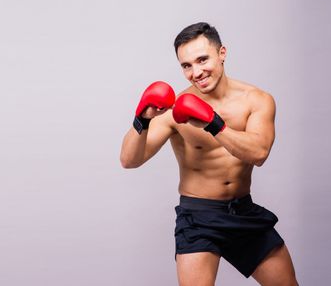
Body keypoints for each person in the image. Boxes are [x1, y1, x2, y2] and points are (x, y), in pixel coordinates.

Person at [120, 22, 298, 286]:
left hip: (243, 211)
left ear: (222, 53)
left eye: (202, 60)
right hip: (198, 216)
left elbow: (259, 153)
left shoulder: (257, 100)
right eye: (186, 65)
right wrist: (142, 120)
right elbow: (129, 160)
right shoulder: (174, 110)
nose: (196, 72)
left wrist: (213, 124)